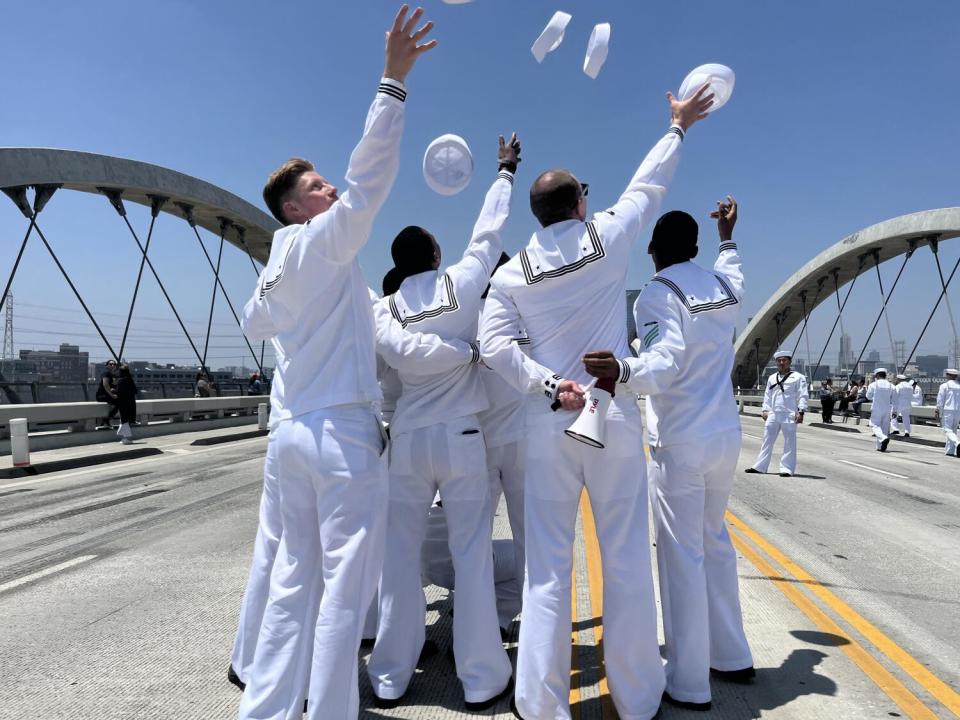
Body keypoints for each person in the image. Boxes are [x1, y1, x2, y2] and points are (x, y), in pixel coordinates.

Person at [480, 84, 714, 720]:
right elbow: (648, 186)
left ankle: (539, 702)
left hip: (547, 423)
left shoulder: (508, 276)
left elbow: (494, 347)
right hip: (609, 415)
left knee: (548, 571)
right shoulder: (607, 239)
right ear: (581, 203)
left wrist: (548, 384)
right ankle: (634, 701)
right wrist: (677, 126)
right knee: (627, 561)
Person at [236, 8, 436, 719]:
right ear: (296, 208)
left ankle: (266, 709)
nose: (329, 193)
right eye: (316, 188)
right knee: (343, 590)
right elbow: (370, 178)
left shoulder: (274, 265)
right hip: (339, 435)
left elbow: (255, 322)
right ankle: (326, 712)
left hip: (289, 435)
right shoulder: (320, 240)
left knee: (295, 581)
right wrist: (393, 81)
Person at [229, 290, 479, 694]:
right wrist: (466, 350)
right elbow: (397, 348)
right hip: (338, 432)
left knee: (278, 552)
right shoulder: (356, 290)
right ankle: (320, 681)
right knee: (343, 564)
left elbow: (252, 319)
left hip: (285, 427)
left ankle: (250, 661)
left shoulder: (281, 284)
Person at [581, 196, 753, 711]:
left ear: (653, 250)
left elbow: (666, 362)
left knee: (682, 556)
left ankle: (689, 682)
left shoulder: (657, 294)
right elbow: (735, 272)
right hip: (725, 434)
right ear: (695, 248)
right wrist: (729, 238)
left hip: (681, 439)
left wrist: (624, 371)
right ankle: (731, 654)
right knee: (715, 543)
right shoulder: (723, 287)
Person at [368, 133, 519, 711]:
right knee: (472, 554)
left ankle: (389, 675)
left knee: (399, 558)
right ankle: (481, 676)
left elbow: (398, 363)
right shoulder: (461, 282)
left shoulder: (383, 309)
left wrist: (432, 355)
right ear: (435, 256)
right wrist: (504, 172)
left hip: (406, 439)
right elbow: (488, 232)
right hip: (461, 435)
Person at [478, 251, 527, 633]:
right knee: (531, 535)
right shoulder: (532, 314)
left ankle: (480, 615)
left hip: (477, 441)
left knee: (475, 536)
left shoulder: (468, 319)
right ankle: (528, 613)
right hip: (524, 440)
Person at [745, 350, 808, 477]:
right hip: (773, 413)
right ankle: (760, 467)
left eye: (784, 360)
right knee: (767, 440)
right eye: (779, 361)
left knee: (790, 442)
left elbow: (803, 395)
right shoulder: (772, 377)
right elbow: (767, 395)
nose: (781, 363)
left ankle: (786, 469)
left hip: (789, 413)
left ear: (789, 362)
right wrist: (765, 410)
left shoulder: (798, 377)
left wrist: (801, 411)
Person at [866, 368, 895, 451]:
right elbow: (894, 399)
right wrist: (895, 410)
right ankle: (880, 446)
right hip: (887, 409)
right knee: (884, 428)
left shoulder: (873, 385)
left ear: (877, 375)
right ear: (885, 376)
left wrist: (875, 397)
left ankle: (883, 438)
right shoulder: (891, 385)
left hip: (876, 408)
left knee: (874, 425)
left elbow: (868, 396)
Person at [935, 368, 960, 456]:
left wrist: (938, 409)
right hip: (958, 411)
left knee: (947, 429)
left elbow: (940, 399)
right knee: (953, 430)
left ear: (949, 375)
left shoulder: (944, 386)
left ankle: (957, 443)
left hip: (948, 410)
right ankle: (950, 451)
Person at [115, 363, 138, 445]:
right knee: (127, 420)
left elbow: (119, 392)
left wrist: (113, 390)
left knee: (124, 420)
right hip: (131, 402)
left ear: (122, 372)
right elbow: (135, 391)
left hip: (123, 403)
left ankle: (127, 438)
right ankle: (126, 438)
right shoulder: (130, 380)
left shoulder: (121, 381)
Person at [96, 359, 120, 428]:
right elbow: (105, 385)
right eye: (111, 364)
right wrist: (112, 395)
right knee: (119, 402)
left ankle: (105, 421)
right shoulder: (106, 373)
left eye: (114, 364)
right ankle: (107, 419)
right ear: (107, 366)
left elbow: (114, 387)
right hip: (102, 395)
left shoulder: (114, 376)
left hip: (108, 395)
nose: (113, 365)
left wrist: (114, 391)